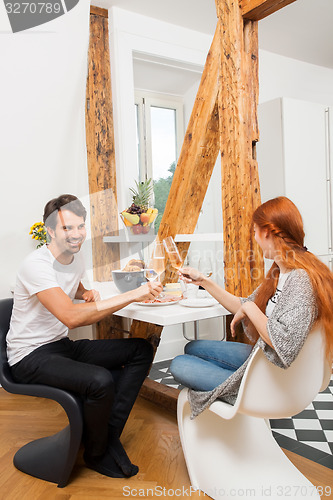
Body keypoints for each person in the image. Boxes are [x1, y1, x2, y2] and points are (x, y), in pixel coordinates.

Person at [7, 194, 163, 478]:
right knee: (99, 380)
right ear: (51, 231)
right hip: (29, 356)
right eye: (67, 228)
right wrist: (135, 293)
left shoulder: (72, 258)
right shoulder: (36, 265)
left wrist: (85, 293)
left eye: (80, 226)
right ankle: (95, 455)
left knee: (140, 350)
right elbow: (70, 316)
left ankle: (105, 436)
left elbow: (69, 287)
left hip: (59, 346)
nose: (76, 234)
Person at [170, 196, 333, 417]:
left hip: (274, 380)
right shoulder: (281, 271)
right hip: (264, 361)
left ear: (267, 232)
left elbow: (284, 343)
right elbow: (243, 305)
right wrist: (203, 281)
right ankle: (236, 378)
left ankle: (236, 387)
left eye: (255, 231)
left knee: (179, 364)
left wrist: (250, 310)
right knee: (193, 348)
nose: (254, 238)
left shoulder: (300, 279)